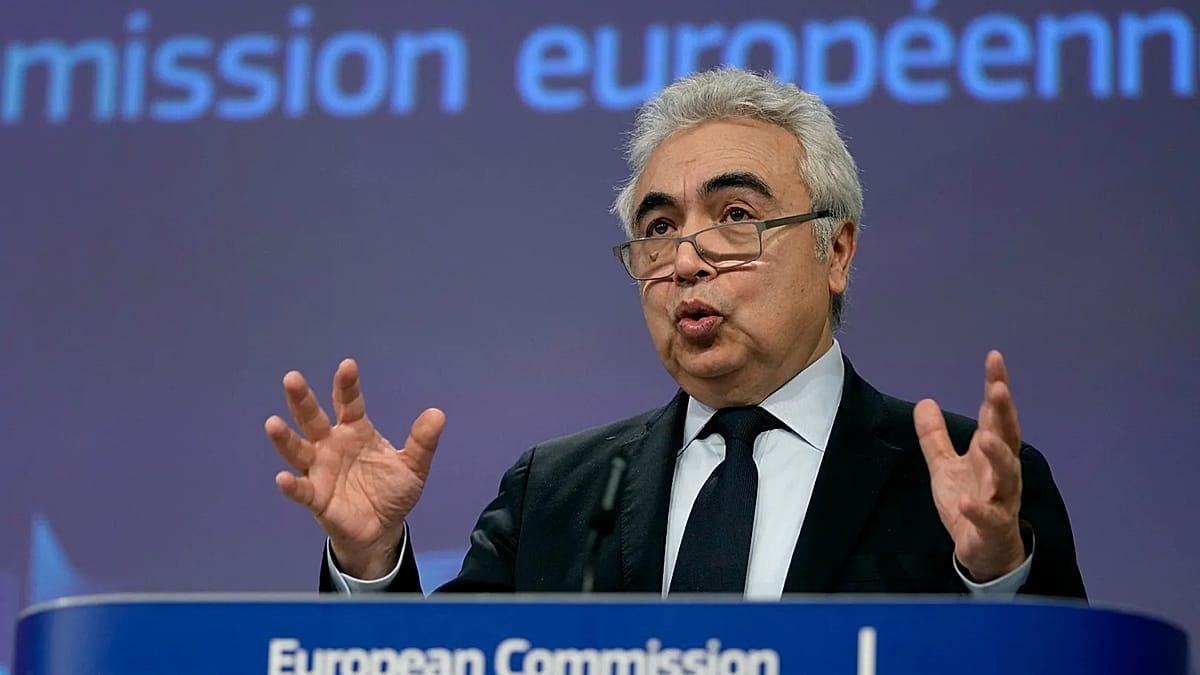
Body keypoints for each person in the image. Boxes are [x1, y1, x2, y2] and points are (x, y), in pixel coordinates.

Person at [266, 68, 1086, 599]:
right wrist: (371, 560)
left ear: (836, 249)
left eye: (735, 216)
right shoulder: (556, 493)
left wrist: (994, 574)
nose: (686, 259)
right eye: (658, 228)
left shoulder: (964, 483)